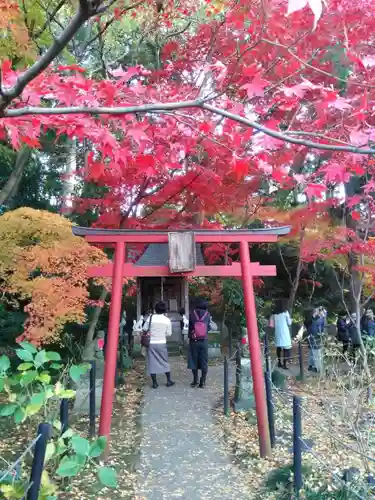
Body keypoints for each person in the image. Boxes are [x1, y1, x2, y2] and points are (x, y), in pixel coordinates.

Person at [142, 301, 175, 389]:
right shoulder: (167, 320)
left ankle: (155, 383)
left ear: (155, 309)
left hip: (151, 343)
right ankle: (168, 381)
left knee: (152, 362)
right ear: (165, 310)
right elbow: (169, 333)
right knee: (165, 361)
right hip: (162, 343)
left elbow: (144, 328)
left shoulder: (150, 318)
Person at [188, 298, 211, 388]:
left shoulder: (192, 314)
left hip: (194, 341)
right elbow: (208, 327)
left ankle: (195, 380)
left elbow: (189, 327)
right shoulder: (207, 314)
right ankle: (203, 381)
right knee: (204, 361)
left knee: (194, 360)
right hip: (204, 341)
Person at [269, 299, 292, 369]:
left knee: (278, 348)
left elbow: (271, 325)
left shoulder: (273, 314)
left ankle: (279, 362)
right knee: (286, 348)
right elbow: (289, 323)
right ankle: (285, 364)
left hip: (277, 333)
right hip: (285, 332)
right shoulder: (285, 313)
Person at [305, 307, 325, 373]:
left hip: (314, 338)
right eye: (316, 311)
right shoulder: (313, 320)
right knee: (315, 353)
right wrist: (321, 316)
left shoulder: (312, 319)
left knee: (312, 353)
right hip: (314, 338)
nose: (317, 312)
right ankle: (316, 367)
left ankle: (313, 366)